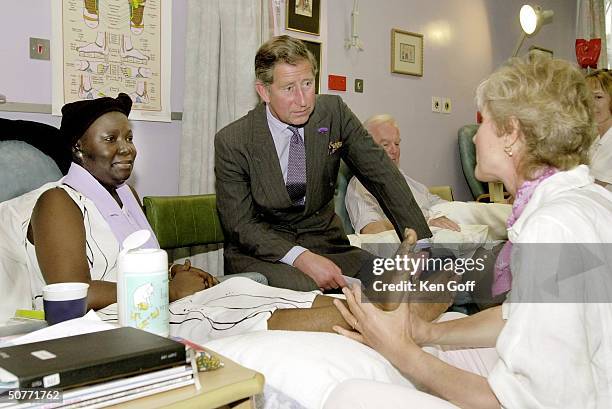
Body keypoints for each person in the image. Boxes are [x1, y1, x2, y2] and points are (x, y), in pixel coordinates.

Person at [0, 94, 443, 343]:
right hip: (125, 322)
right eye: (111, 138)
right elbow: (69, 298)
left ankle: (402, 315)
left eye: (130, 137)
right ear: (79, 148)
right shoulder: (58, 202)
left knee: (244, 291)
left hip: (160, 302)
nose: (127, 148)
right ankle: (395, 319)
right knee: (244, 308)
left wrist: (178, 271)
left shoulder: (124, 196)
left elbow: (134, 261)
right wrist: (167, 287)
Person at [328, 54, 612, 408]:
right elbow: (515, 315)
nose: (475, 137)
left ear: (512, 134)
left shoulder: (551, 226)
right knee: (407, 360)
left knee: (350, 395)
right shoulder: (587, 200)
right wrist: (424, 332)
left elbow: (525, 402)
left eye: (483, 123)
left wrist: (403, 351)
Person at [215, 35, 430, 292]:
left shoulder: (334, 112)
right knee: (311, 293)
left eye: (307, 84)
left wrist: (422, 244)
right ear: (264, 91)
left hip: (327, 246)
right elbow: (241, 225)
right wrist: (300, 257)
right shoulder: (234, 141)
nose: (303, 99)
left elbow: (382, 174)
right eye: (288, 89)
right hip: (264, 253)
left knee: (400, 286)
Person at [585, 69, 612, 191]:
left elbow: (593, 189)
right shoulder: (596, 141)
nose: (590, 103)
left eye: (598, 97)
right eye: (587, 97)